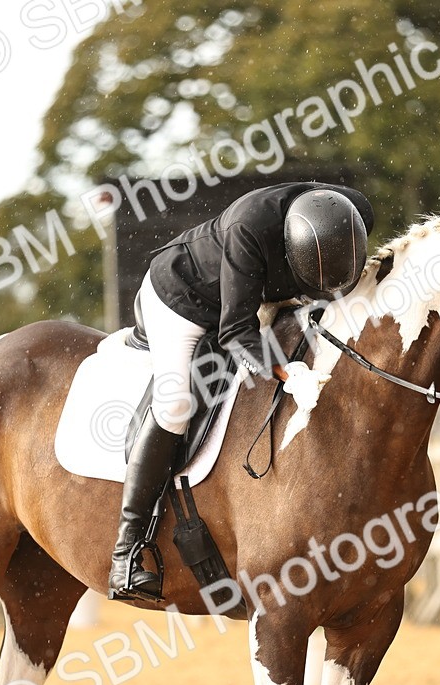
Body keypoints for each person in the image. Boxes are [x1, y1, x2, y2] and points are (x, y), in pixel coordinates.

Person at [109, 182, 375, 598]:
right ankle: (127, 551)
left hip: (254, 293)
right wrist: (290, 373)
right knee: (175, 404)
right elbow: (235, 332)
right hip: (186, 300)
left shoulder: (351, 213)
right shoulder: (250, 230)